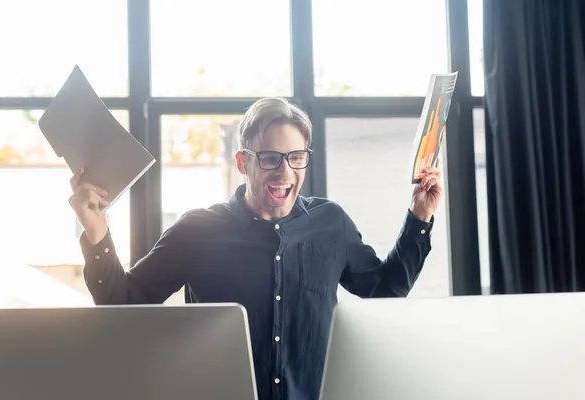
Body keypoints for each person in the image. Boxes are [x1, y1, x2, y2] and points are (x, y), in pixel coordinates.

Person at [69, 97, 442, 400]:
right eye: (270, 158)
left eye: (297, 158)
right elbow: (125, 301)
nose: (285, 171)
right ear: (243, 162)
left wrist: (420, 217)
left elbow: (385, 289)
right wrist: (97, 233)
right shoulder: (197, 230)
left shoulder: (331, 224)